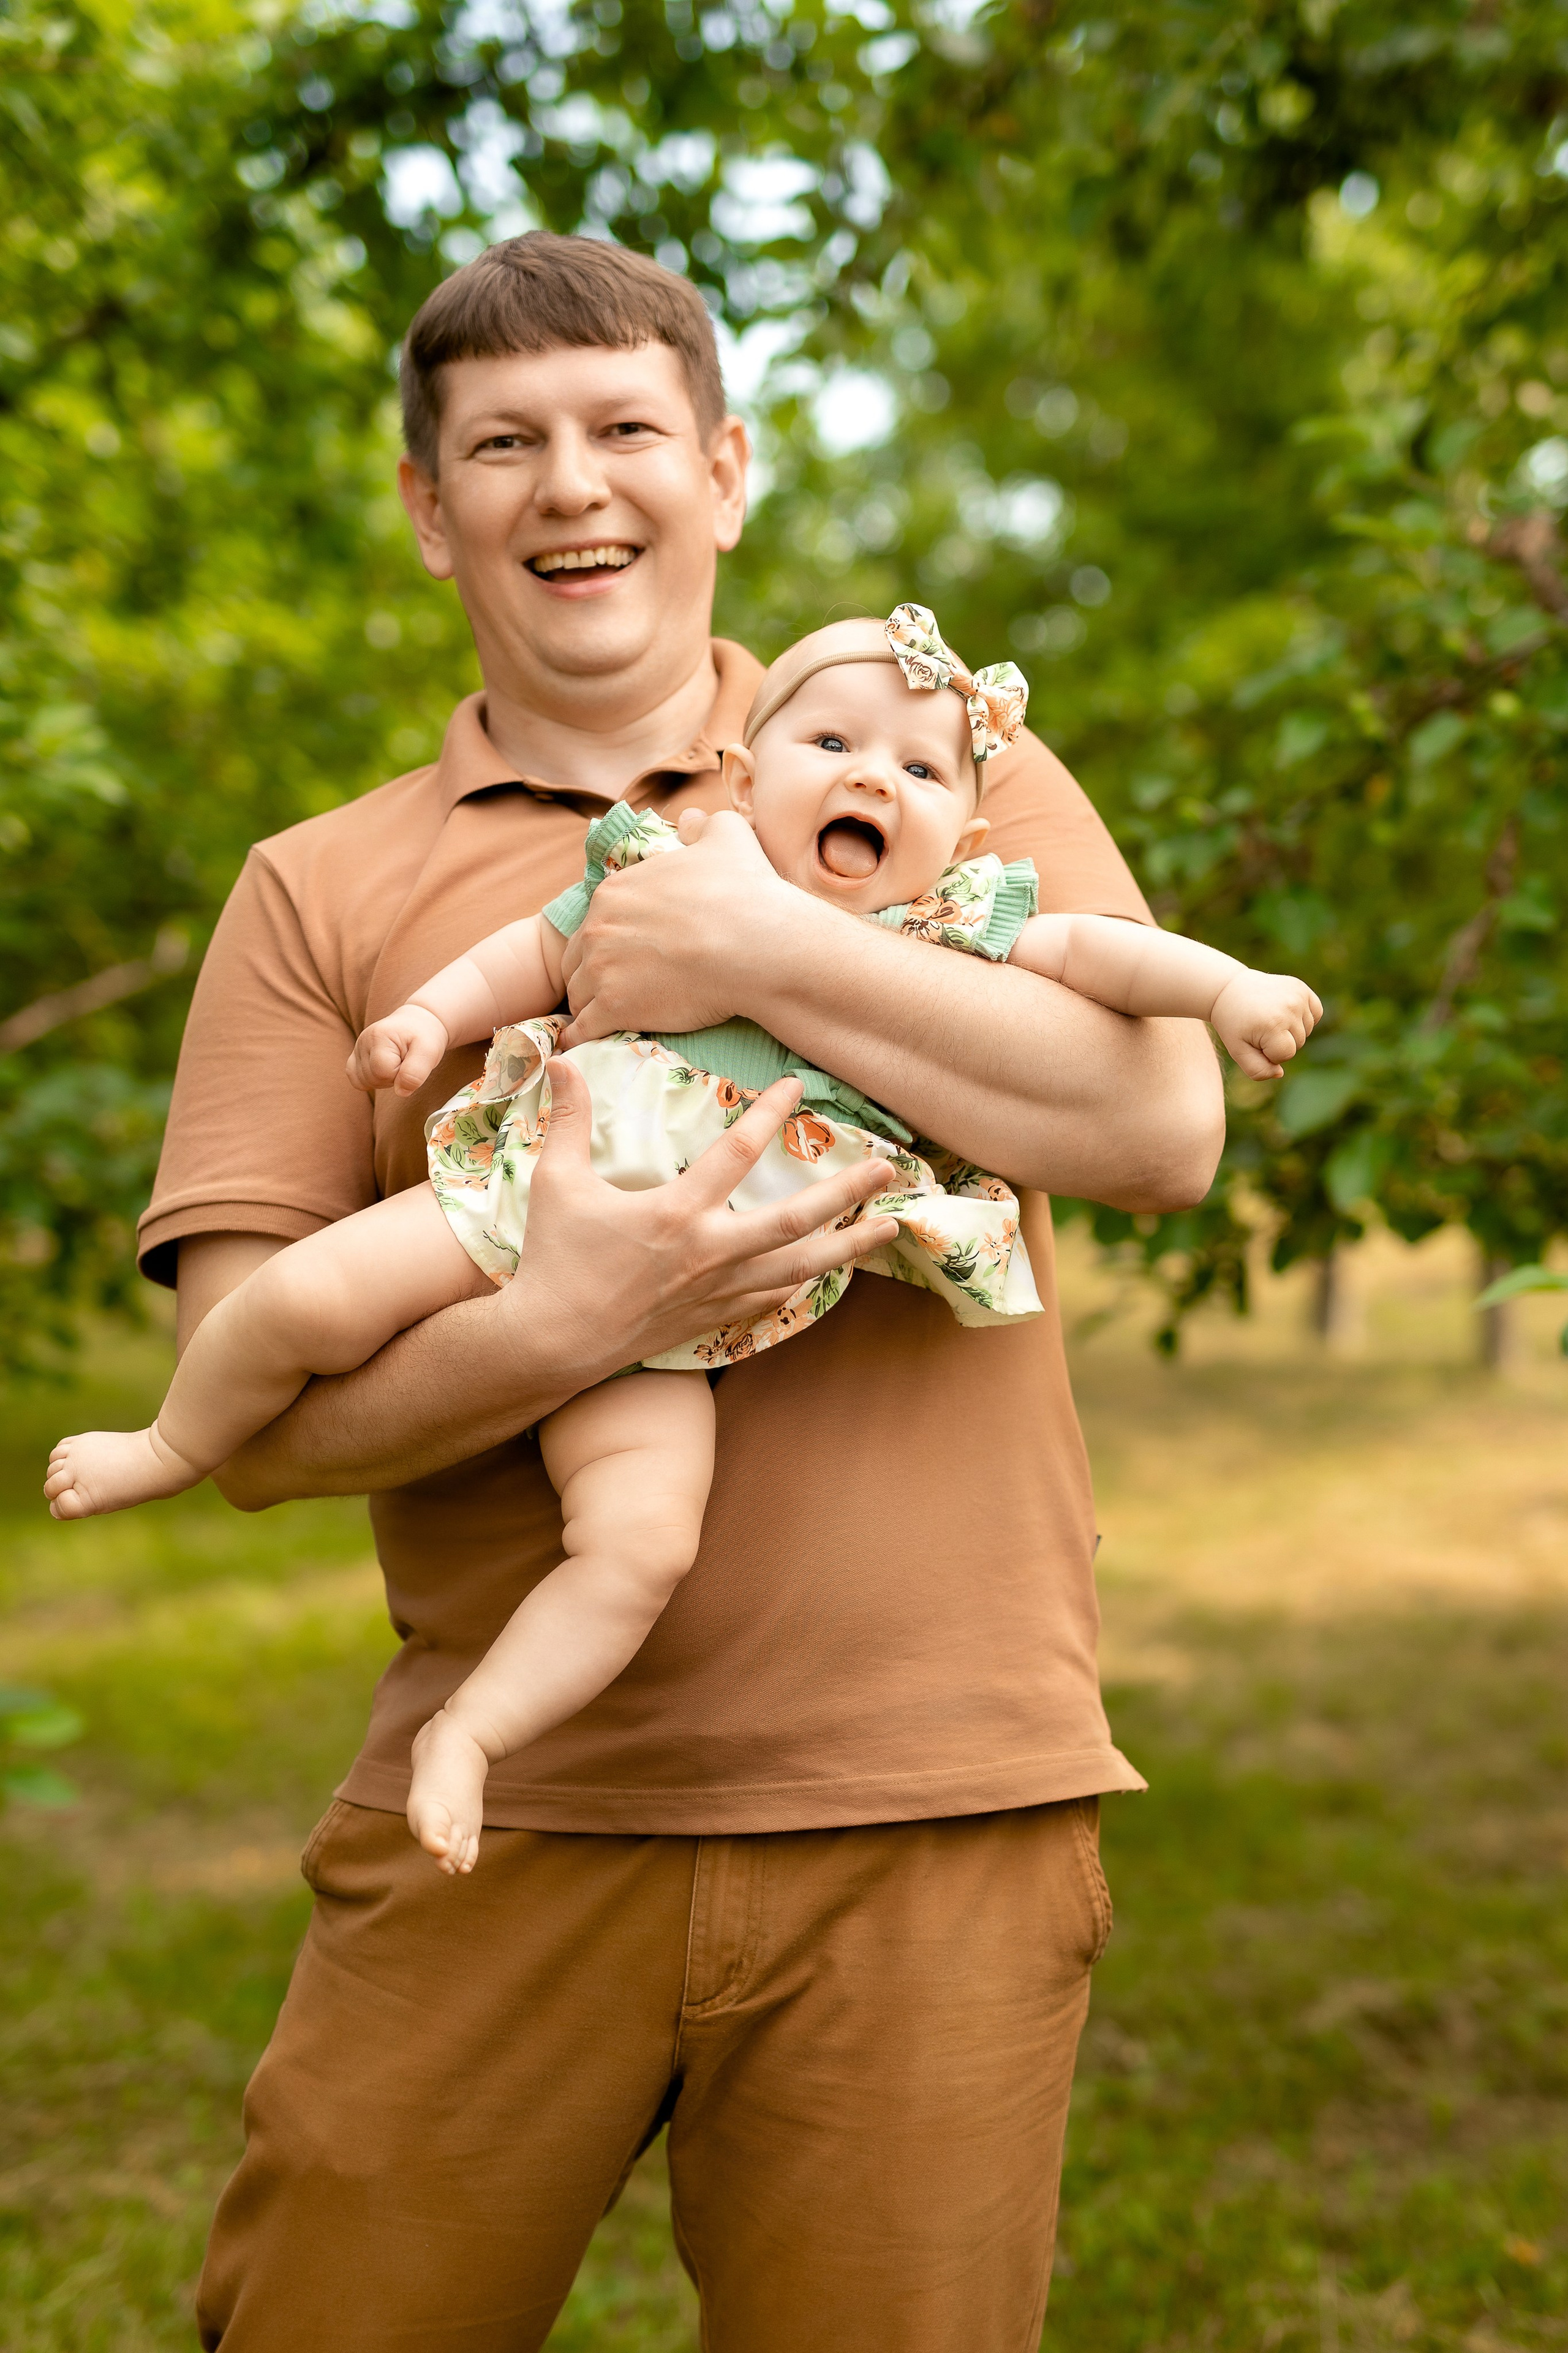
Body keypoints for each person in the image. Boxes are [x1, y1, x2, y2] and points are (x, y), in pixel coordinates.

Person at [139, 233, 1227, 2351]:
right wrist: (553, 1327)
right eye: (505, 445)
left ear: (724, 470)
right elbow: (240, 1416)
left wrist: (751, 954)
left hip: (933, 1796)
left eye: (628, 428)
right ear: (426, 504)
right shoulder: (321, 889)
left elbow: (1157, 1130)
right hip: (505, 1806)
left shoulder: (941, 766)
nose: (574, 487)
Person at [53, 604, 1317, 1901]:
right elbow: (537, 950)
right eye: (830, 740)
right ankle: (166, 1441)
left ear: (966, 834)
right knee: (303, 1300)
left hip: (700, 1329)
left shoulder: (949, 925)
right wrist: (425, 1021)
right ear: (745, 771)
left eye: (922, 770)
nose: (875, 774)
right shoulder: (670, 857)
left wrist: (1224, 991)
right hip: (519, 1205)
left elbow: (1106, 963)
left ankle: (473, 1733)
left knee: (637, 1546)